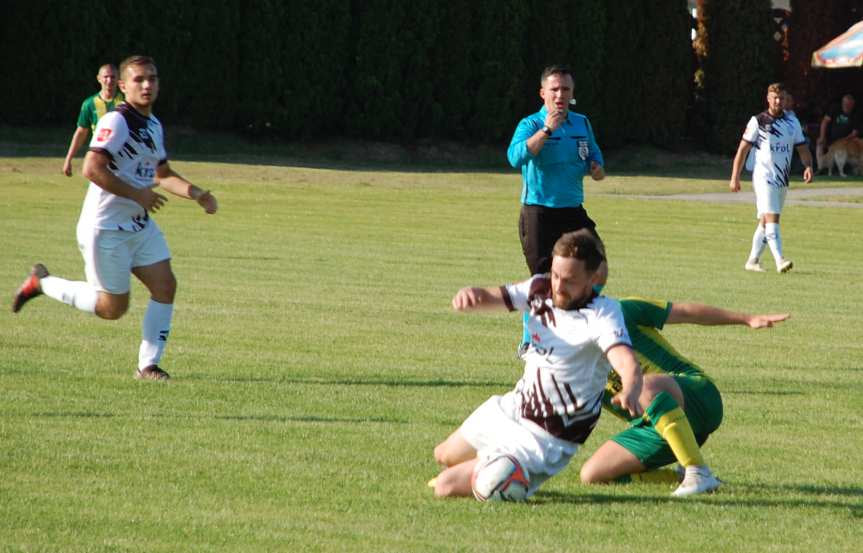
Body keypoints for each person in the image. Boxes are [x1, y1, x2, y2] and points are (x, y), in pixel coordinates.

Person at [12, 55, 218, 381]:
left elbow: (161, 174)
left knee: (165, 285)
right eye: (139, 79)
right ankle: (43, 283)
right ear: (123, 86)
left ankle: (147, 366)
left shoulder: (153, 124)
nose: (147, 85)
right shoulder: (116, 121)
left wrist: (197, 194)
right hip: (105, 228)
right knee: (112, 309)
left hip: (138, 225)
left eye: (152, 78)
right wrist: (138, 194)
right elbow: (91, 168)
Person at [430, 230, 643, 500]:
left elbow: (626, 362)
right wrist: (472, 294)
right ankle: (495, 467)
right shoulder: (539, 289)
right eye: (555, 275)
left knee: (445, 487)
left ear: (593, 279)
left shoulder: (602, 315)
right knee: (444, 455)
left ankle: (509, 473)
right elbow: (495, 296)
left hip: (545, 439)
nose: (558, 286)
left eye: (570, 281)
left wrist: (631, 389)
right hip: (514, 408)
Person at [580, 297, 790, 497]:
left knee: (644, 385)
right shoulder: (566, 363)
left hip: (699, 397)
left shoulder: (620, 311)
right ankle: (681, 477)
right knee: (592, 475)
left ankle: (698, 472)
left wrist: (747, 319)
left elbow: (687, 312)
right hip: (656, 429)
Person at [506, 65, 607, 353]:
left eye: (565, 89)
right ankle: (531, 340)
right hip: (539, 213)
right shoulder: (531, 124)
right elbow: (515, 157)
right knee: (543, 281)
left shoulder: (581, 123)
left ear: (572, 94)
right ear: (543, 93)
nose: (560, 94)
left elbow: (596, 161)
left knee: (596, 266)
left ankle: (577, 324)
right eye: (554, 89)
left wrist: (597, 170)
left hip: (573, 211)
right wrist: (548, 129)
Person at [729, 82, 813, 274]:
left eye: (781, 98)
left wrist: (808, 166)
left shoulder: (793, 123)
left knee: (766, 222)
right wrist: (735, 176)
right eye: (774, 97)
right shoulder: (757, 122)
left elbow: (802, 147)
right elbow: (742, 151)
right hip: (763, 177)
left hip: (782, 179)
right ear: (768, 99)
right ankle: (779, 260)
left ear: (786, 100)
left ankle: (752, 260)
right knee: (773, 219)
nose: (778, 101)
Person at [62, 64, 125, 177]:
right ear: (99, 78)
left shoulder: (127, 101)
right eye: (106, 77)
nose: (109, 80)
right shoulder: (89, 104)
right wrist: (68, 159)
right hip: (99, 158)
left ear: (118, 79)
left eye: (113, 77)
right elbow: (81, 132)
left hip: (124, 158)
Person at [816, 93, 859, 158]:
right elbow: (825, 122)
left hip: (847, 141)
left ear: (853, 105)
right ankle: (821, 165)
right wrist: (822, 136)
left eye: (849, 105)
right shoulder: (835, 108)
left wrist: (841, 142)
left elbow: (854, 133)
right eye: (845, 104)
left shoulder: (857, 113)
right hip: (831, 138)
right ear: (842, 103)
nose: (846, 106)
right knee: (820, 141)